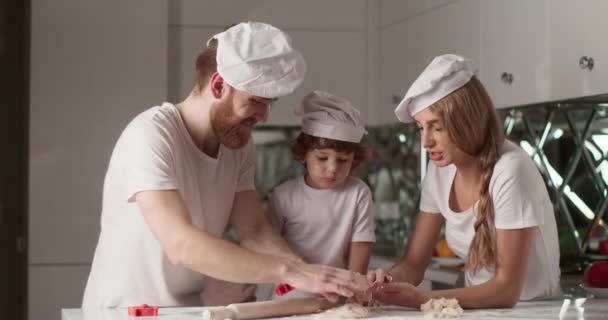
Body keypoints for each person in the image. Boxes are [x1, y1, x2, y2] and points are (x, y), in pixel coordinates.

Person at [82, 22, 368, 309]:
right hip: (125, 310)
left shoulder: (238, 146)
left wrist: (310, 275)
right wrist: (291, 272)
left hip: (190, 310)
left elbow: (254, 230)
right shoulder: (151, 134)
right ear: (219, 85)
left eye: (270, 104)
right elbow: (181, 245)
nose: (263, 116)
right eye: (256, 101)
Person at [369, 54, 561, 308]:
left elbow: (507, 289)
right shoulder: (440, 173)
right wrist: (386, 282)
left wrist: (421, 299)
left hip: (532, 311)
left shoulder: (510, 171)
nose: (426, 142)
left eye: (436, 127)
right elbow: (414, 264)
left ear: (466, 121)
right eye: (420, 127)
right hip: (475, 309)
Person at [268, 91, 376, 301]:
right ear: (303, 155)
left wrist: (356, 295)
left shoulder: (358, 193)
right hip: (290, 298)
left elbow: (361, 246)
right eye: (322, 158)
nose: (332, 169)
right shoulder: (284, 195)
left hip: (337, 299)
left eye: (343, 160)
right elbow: (270, 247)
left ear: (354, 159)